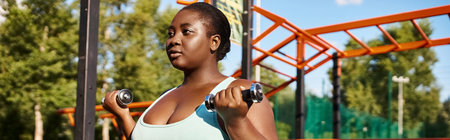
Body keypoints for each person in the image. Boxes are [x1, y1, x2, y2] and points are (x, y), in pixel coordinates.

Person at [102, 2, 277, 140]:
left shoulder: (241, 92)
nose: (174, 40)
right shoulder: (165, 96)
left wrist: (236, 122)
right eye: (170, 34)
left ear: (214, 42)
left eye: (186, 32)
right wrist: (123, 116)